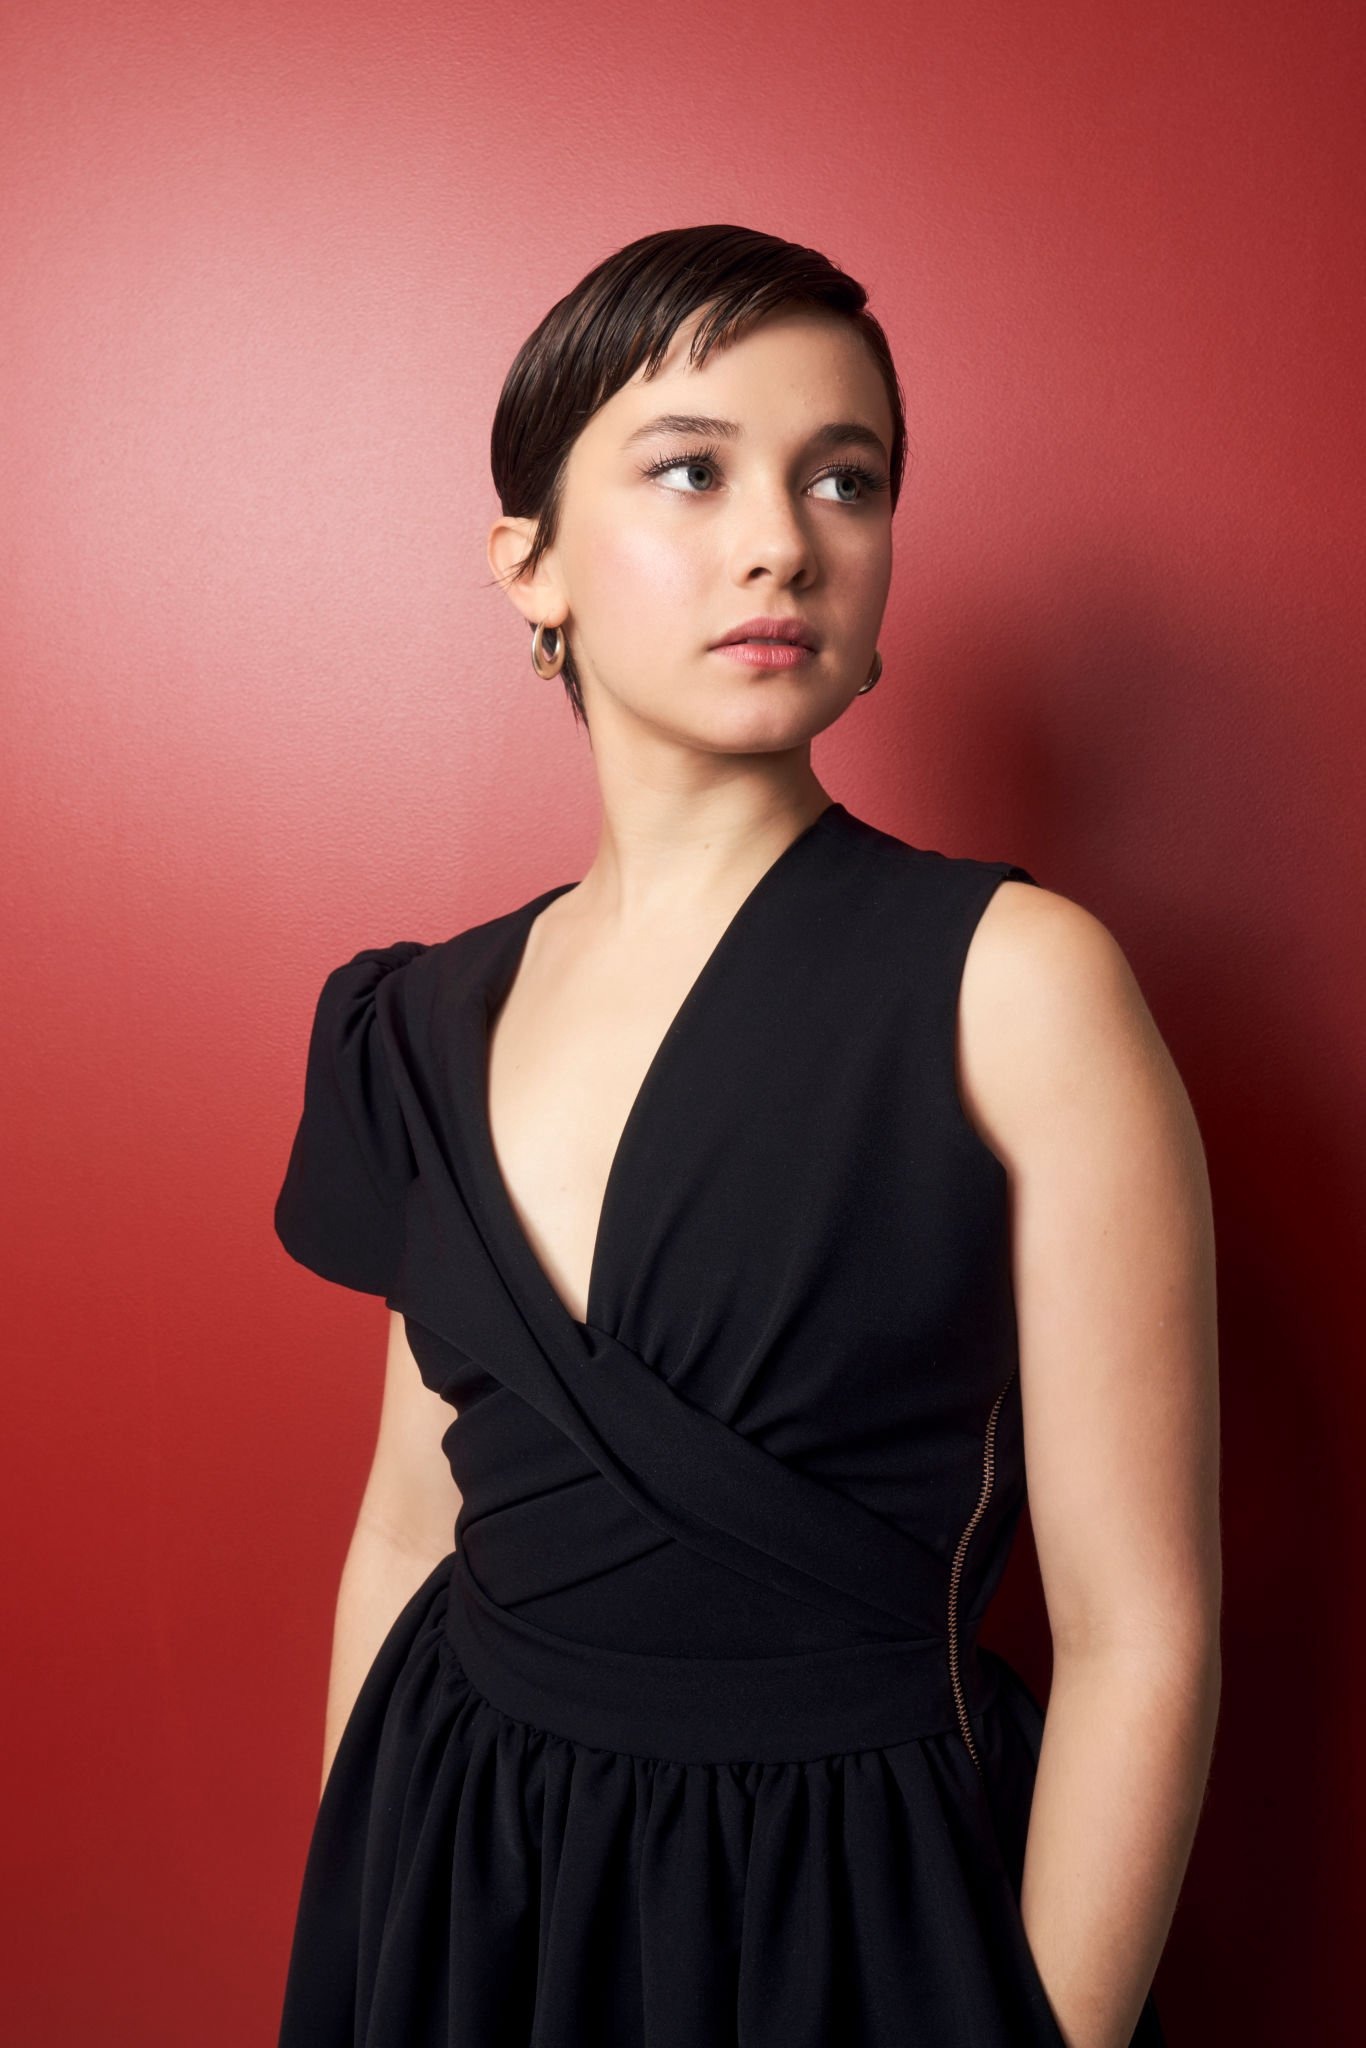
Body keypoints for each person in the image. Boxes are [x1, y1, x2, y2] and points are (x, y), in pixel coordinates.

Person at [272, 224, 1219, 2047]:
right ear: (529, 563)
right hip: (472, 1870)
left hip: (845, 1909)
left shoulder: (1017, 983)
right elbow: (405, 1532)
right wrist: (377, 1923)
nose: (783, 540)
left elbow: (1139, 1635)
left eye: (843, 479)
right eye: (691, 471)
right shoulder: (421, 1022)